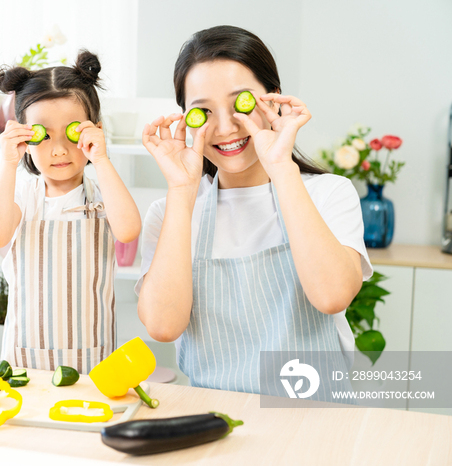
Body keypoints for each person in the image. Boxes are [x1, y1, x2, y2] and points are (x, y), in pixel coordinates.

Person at [136, 25, 372, 394]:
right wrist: (182, 190)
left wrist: (281, 167)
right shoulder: (170, 212)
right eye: (203, 112)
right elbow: (163, 327)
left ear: (273, 100)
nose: (226, 127)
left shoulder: (329, 194)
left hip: (318, 415)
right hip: (215, 418)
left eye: (241, 103)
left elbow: (332, 296)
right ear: (185, 120)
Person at [0, 50, 141, 374]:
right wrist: (7, 164)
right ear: (25, 136)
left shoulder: (101, 196)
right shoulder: (24, 197)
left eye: (72, 133)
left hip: (92, 361)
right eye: (43, 134)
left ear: (94, 130)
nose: (58, 149)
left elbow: (127, 230)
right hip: (24, 360)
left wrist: (103, 160)